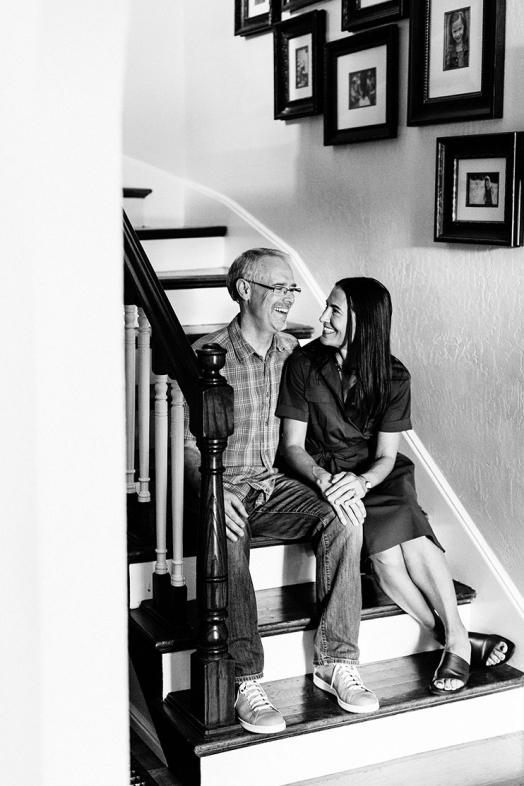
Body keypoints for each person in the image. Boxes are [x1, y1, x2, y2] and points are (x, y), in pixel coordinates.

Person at [276, 277, 515, 697]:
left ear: (364, 322)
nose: (322, 317)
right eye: (326, 307)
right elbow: (292, 446)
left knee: (412, 531)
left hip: (376, 474)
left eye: (334, 310)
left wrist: (362, 481)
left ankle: (456, 639)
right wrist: (325, 479)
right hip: (325, 475)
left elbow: (386, 455)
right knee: (386, 557)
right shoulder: (303, 364)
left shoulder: (394, 375)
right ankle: (455, 640)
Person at [184, 250, 379, 736]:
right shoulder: (207, 356)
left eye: (293, 288)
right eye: (280, 288)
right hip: (225, 486)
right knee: (226, 537)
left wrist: (348, 479)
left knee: (344, 517)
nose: (291, 298)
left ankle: (335, 661)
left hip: (276, 487)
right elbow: (181, 445)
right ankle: (244, 679)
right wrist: (210, 490)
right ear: (245, 290)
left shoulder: (296, 353)